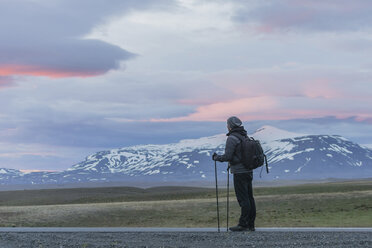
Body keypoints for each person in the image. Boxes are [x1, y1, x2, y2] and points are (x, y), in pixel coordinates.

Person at [212, 116, 256, 232]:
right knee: (249, 197)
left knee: (243, 199)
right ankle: (251, 224)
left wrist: (217, 158)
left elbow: (228, 156)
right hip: (248, 171)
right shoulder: (244, 136)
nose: (227, 126)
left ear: (230, 126)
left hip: (239, 172)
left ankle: (243, 224)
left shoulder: (232, 138)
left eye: (227, 124)